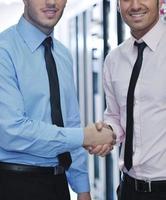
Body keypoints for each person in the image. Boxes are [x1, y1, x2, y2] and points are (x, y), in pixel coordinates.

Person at [0, 0, 116, 200]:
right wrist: (84, 136)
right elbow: (12, 131)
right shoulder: (4, 51)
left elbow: (70, 122)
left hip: (58, 185)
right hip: (13, 184)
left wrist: (82, 188)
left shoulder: (62, 54)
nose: (51, 2)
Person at [103, 0, 166, 199]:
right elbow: (114, 116)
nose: (135, 5)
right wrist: (105, 134)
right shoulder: (114, 59)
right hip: (129, 189)